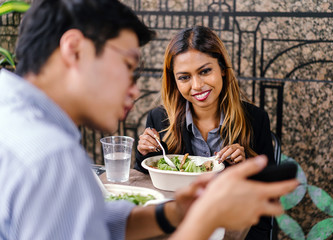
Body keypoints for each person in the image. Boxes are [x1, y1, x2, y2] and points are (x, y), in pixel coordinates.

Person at [0, 1, 298, 239]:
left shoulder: (13, 118)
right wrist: (206, 217)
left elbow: (93, 221)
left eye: (205, 71)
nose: (135, 88)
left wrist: (176, 213)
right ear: (74, 49)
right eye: (128, 65)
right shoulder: (51, 156)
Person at [135, 26, 276, 239]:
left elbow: (269, 196)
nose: (197, 85)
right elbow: (146, 189)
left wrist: (246, 166)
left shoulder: (255, 120)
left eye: (205, 71)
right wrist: (144, 154)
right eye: (184, 77)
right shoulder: (160, 120)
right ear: (174, 80)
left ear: (222, 69)